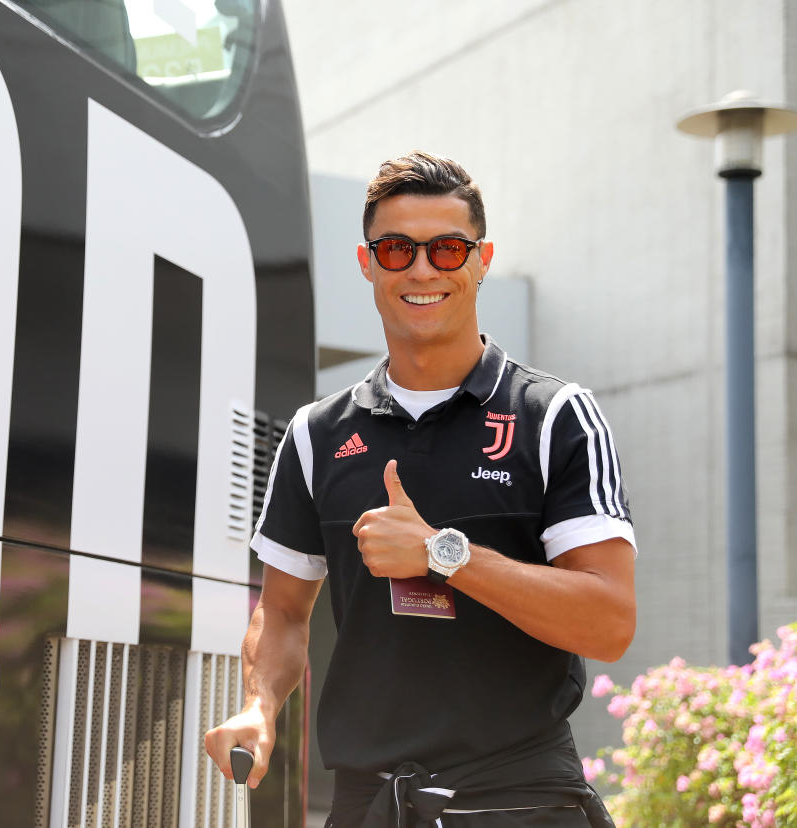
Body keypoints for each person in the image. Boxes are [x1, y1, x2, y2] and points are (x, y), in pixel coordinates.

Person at [204, 150, 636, 827]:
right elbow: (284, 611)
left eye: (448, 249)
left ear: (482, 259)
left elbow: (609, 621)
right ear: (367, 261)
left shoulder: (553, 416)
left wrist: (443, 553)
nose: (423, 269)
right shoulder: (318, 434)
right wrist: (261, 705)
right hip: (367, 803)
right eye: (399, 249)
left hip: (517, 800)